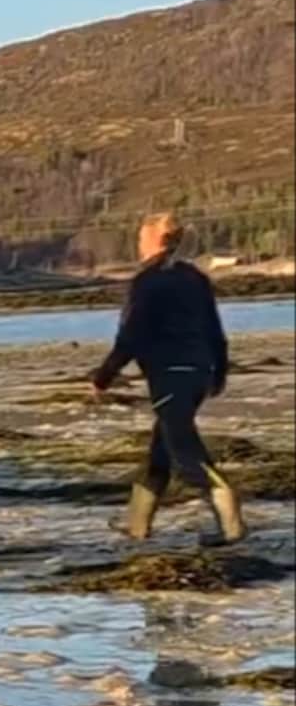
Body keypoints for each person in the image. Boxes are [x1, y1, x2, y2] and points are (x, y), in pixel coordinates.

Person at [90, 212, 244, 545]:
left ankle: (231, 527)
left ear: (155, 240)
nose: (138, 245)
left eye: (141, 238)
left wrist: (103, 376)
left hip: (170, 374)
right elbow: (215, 331)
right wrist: (219, 372)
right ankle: (136, 526)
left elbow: (131, 336)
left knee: (184, 452)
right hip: (198, 373)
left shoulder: (147, 281)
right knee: (161, 451)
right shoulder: (194, 278)